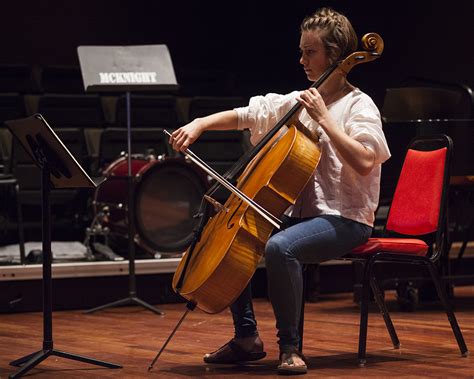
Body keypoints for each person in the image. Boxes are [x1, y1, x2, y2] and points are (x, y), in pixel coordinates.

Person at [169, 7, 390, 376]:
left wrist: (324, 120)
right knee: (234, 234)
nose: (302, 59)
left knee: (279, 247)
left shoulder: (358, 105)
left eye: (310, 52)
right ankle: (246, 339)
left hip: (345, 219)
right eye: (301, 51)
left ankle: (290, 347)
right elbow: (248, 114)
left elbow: (366, 160)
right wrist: (200, 123)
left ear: (334, 56)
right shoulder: (297, 100)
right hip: (300, 217)